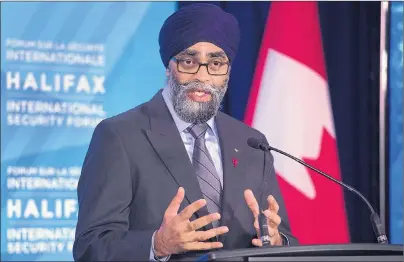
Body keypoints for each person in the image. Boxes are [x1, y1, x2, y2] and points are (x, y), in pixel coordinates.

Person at [73, 3, 298, 261]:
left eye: (216, 63)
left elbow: (284, 236)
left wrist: (277, 240)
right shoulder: (120, 136)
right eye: (189, 62)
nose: (202, 76)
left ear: (227, 72)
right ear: (168, 67)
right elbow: (90, 247)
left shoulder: (251, 142)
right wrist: (157, 245)